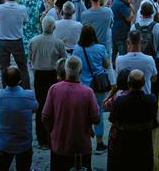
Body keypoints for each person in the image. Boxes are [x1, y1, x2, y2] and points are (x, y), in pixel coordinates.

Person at [43, 55, 101, 171]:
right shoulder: (87, 92)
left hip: (59, 144)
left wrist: (53, 132)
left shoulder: (54, 89)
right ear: (80, 70)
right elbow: (96, 119)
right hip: (81, 145)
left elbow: (45, 117)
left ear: (65, 69)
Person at [72, 23, 112, 151]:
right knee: (98, 112)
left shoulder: (76, 49)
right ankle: (99, 143)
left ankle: (84, 139)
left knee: (83, 113)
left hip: (82, 86)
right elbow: (106, 65)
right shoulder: (100, 48)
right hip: (97, 86)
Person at [109, 69, 159, 171]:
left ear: (128, 83)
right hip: (143, 143)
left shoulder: (120, 101)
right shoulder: (151, 99)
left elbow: (113, 120)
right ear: (144, 83)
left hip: (124, 144)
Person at [29, 16, 67, 148]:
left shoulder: (33, 41)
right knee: (55, 106)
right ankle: (53, 136)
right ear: (54, 28)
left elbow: (30, 58)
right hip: (52, 75)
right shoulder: (58, 43)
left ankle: (42, 139)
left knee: (41, 106)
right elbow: (64, 61)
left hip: (39, 74)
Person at [0, 66, 38, 171]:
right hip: (24, 144)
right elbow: (36, 107)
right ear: (20, 80)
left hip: (5, 143)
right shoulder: (28, 95)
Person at [0, 0, 30, 87]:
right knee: (22, 66)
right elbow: (25, 21)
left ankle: (6, 88)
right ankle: (26, 88)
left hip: (2, 40)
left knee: (4, 67)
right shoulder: (22, 8)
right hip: (17, 39)